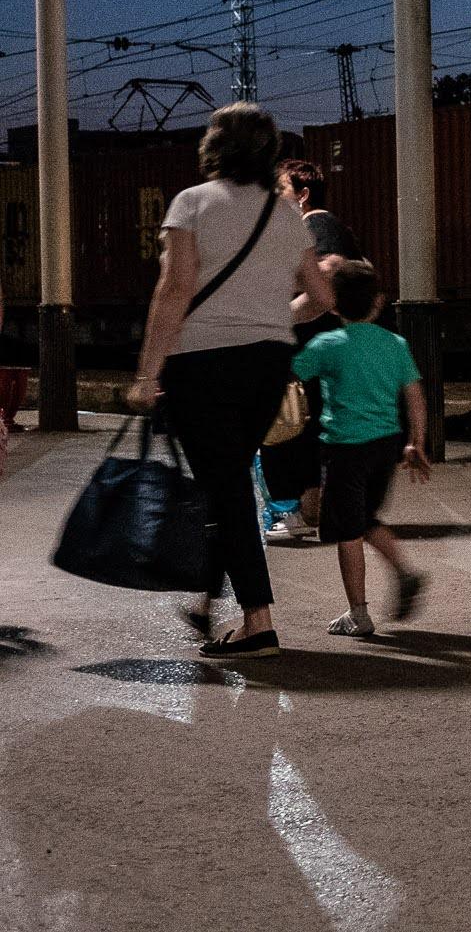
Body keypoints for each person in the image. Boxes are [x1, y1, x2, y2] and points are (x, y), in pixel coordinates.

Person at [128, 103, 336, 659]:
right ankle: (206, 603)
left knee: (225, 487)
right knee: (227, 484)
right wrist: (267, 321)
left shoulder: (191, 204)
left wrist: (148, 373)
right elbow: (323, 297)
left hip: (203, 363)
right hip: (268, 364)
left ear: (214, 146)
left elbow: (173, 291)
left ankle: (258, 622)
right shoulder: (286, 213)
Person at [292, 260, 431, 637]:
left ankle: (359, 612)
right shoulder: (395, 344)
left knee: (347, 531)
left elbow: (288, 372)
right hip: (386, 446)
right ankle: (404, 572)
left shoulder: (327, 345)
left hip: (344, 448)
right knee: (366, 517)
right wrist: (415, 442)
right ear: (379, 302)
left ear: (332, 305)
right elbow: (415, 395)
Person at [262, 158, 364, 542]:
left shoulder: (316, 223)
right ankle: (310, 512)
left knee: (294, 426)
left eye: (281, 190)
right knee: (307, 429)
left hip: (320, 351)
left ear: (303, 195)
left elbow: (328, 277)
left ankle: (296, 514)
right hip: (325, 351)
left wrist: (279, 317)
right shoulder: (314, 227)